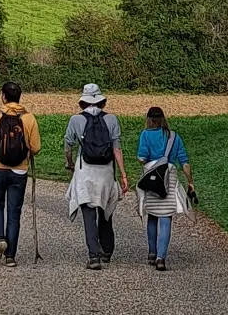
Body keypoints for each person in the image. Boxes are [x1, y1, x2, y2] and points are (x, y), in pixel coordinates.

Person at [63, 84, 129, 269]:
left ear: (83, 101)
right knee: (106, 210)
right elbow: (117, 148)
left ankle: (94, 256)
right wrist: (123, 174)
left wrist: (68, 164)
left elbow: (68, 146)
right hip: (106, 172)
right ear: (102, 101)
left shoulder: (76, 120)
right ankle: (107, 249)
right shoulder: (112, 119)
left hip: (86, 172)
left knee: (88, 212)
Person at [0, 81, 41, 267]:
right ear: (19, 97)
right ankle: (10, 256)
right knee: (14, 212)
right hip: (19, 171)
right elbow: (36, 147)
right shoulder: (29, 118)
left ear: (4, 97)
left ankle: (0, 238)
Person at [134, 106, 193, 270]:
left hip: (151, 178)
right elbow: (185, 162)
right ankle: (161, 258)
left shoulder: (145, 135)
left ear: (150, 119)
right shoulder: (173, 136)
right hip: (170, 178)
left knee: (152, 216)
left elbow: (142, 157)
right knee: (166, 217)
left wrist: (144, 159)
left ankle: (152, 252)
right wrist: (190, 182)